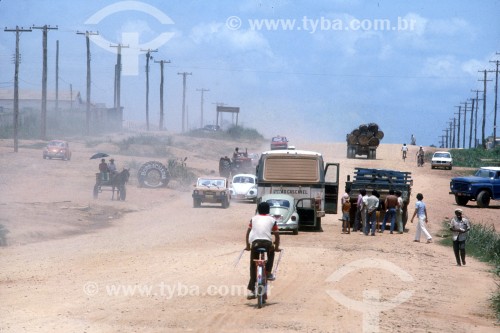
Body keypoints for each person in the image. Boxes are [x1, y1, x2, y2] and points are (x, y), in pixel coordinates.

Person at [245, 202, 280, 299]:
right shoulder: (272, 219)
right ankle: (268, 272)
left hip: (255, 243)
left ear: (258, 210)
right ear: (268, 210)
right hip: (267, 243)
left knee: (253, 265)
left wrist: (248, 245)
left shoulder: (253, 218)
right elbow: (277, 235)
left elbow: (248, 233)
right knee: (271, 252)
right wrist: (276, 247)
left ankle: (252, 290)